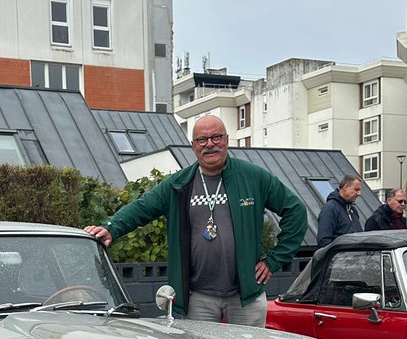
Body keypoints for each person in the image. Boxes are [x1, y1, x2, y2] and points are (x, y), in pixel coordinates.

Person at [84, 114, 306, 325]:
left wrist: (274, 260)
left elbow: (295, 211)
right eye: (202, 139)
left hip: (246, 295)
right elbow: (141, 207)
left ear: (227, 140)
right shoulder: (178, 184)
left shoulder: (253, 177)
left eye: (216, 137)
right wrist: (111, 228)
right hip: (198, 298)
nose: (210, 144)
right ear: (193, 145)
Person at [316, 175, 363, 247]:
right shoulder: (330, 209)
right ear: (346, 187)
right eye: (356, 190)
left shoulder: (353, 210)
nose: (359, 194)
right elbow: (324, 241)